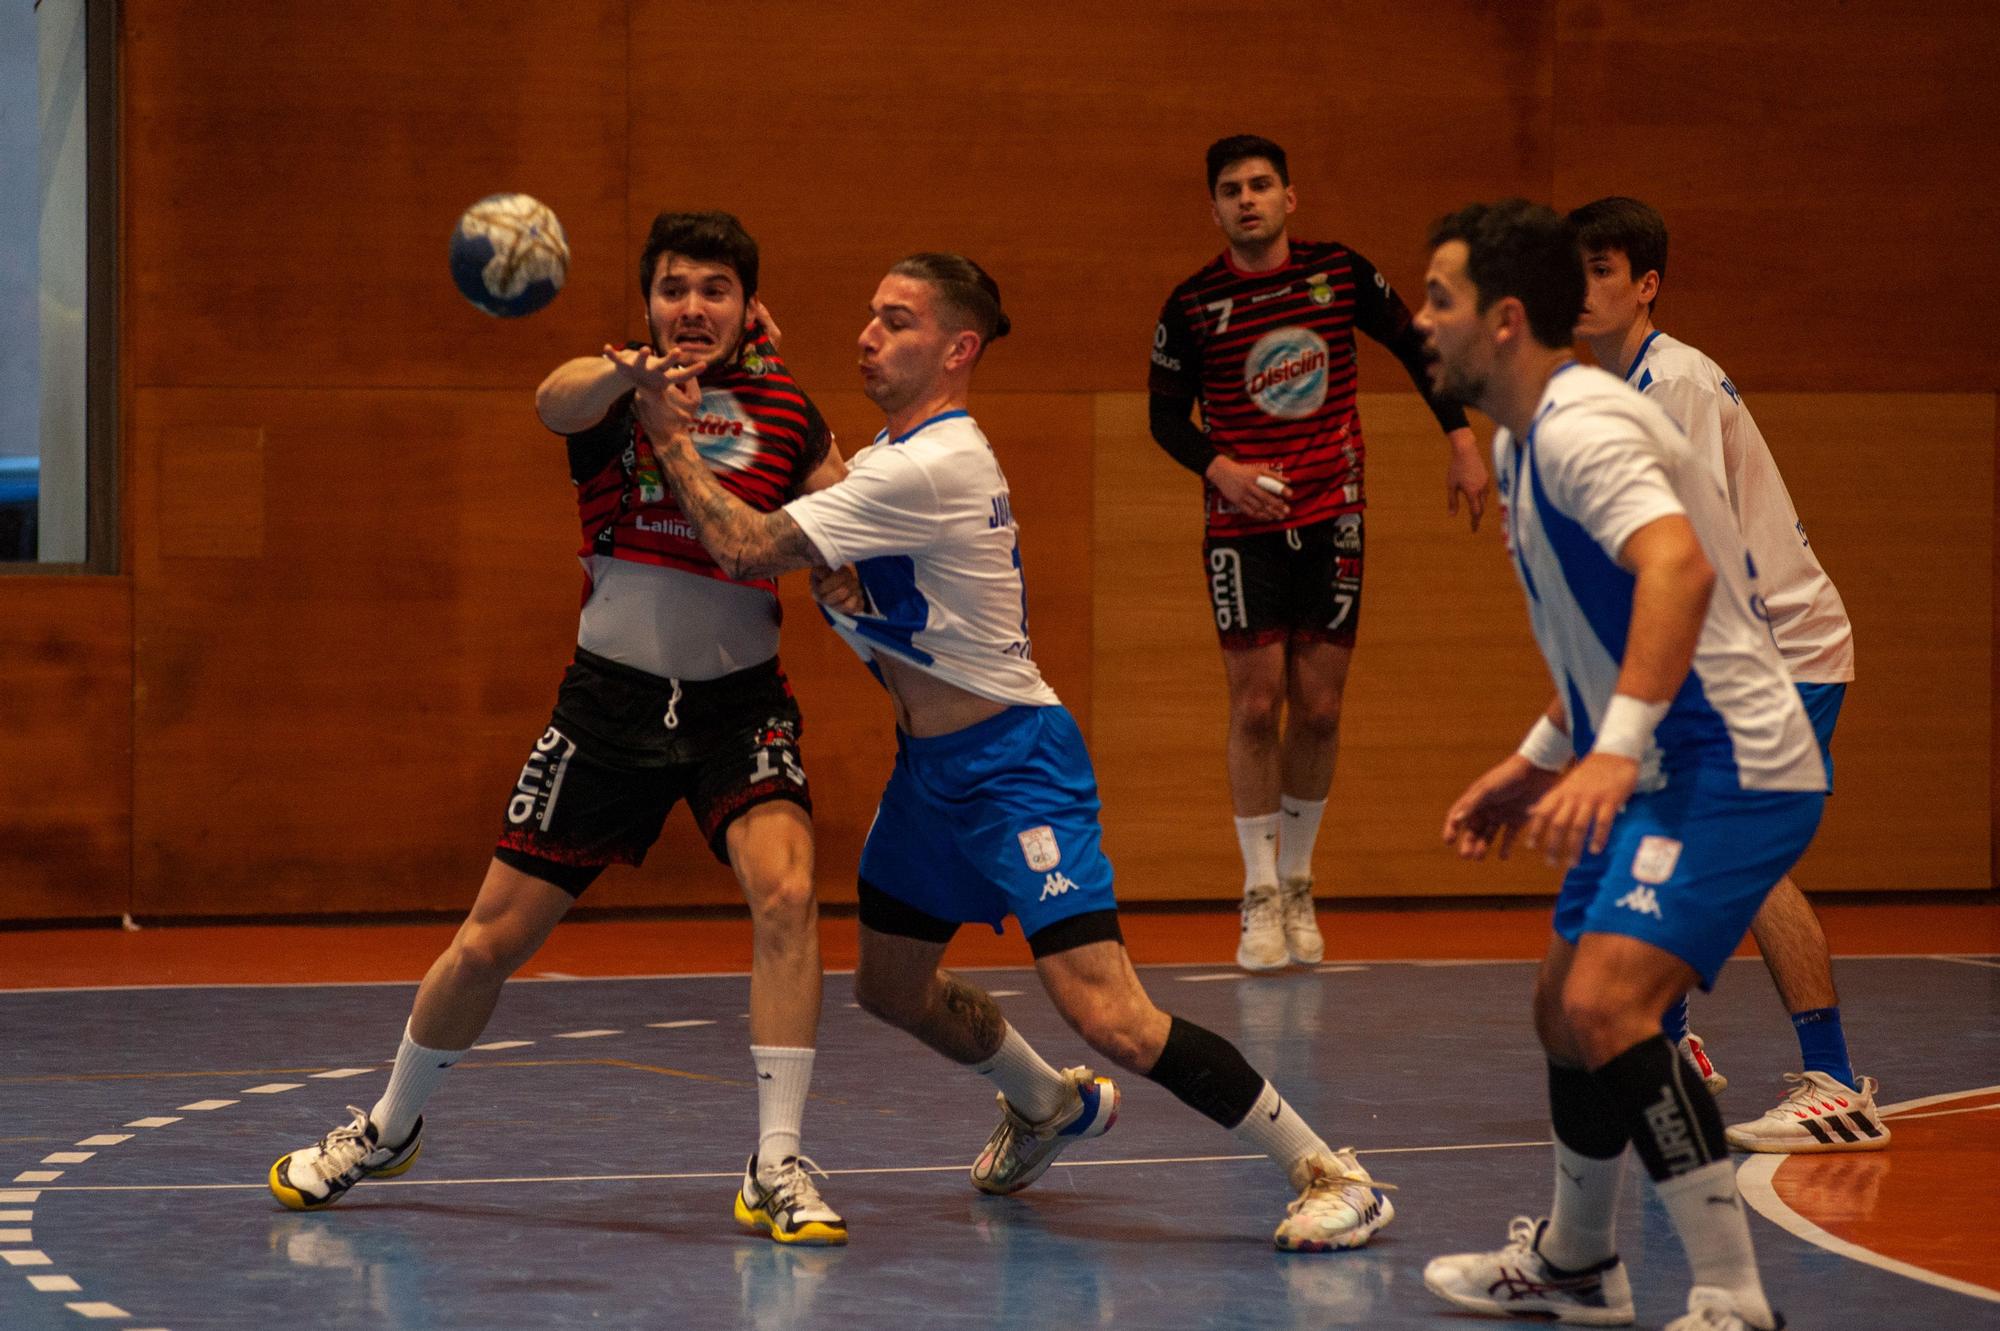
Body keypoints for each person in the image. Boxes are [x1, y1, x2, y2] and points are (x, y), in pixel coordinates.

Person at [633, 250, 1396, 1252]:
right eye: (868, 314)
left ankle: (1327, 1168)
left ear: (956, 348)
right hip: (931, 773)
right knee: (890, 988)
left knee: (1111, 1014)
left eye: (895, 320)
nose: (867, 333)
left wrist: (670, 439)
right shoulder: (893, 458)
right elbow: (834, 510)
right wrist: (761, 368)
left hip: (1013, 765)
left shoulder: (928, 465)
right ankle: (1043, 1104)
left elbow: (741, 544)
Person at [268, 211, 853, 1246]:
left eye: (713, 288)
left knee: (791, 892)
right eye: (673, 287)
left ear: (745, 305)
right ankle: (387, 1126)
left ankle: (776, 1158)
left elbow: (836, 512)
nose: (691, 307)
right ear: (647, 302)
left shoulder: (788, 405)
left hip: (737, 706)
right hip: (608, 708)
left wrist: (842, 505)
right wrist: (625, 375)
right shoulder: (609, 397)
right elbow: (553, 397)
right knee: (490, 940)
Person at [1414, 200, 1824, 1331]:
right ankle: (1577, 1262)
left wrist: (1614, 748)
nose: (1418, 319)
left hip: (1729, 759)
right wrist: (1537, 756)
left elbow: (1676, 573)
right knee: (1559, 1006)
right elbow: (1596, 638)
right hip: (1660, 754)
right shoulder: (1517, 440)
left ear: (1501, 321)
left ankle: (1733, 1300)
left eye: (1437, 298)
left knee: (1605, 999)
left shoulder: (1582, 430)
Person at [1569, 195, 1885, 1153]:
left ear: (1647, 286)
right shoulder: (1618, 390)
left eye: (1601, 271)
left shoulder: (1680, 387)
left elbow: (1691, 560)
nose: (1579, 290)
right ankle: (1671, 1048)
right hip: (1724, 653)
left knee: (1743, 861)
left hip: (1781, 653)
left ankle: (1835, 1080)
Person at [1148, 134, 1491, 972]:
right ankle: (1258, 892)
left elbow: (1419, 346)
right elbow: (1163, 418)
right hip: (1243, 529)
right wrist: (1219, 468)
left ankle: (1299, 879)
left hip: (1334, 513)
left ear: (1289, 198)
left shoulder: (1338, 273)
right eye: (1231, 189)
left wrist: (1461, 438)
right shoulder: (1191, 305)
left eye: (1262, 185)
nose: (1248, 199)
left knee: (1322, 706)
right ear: (1216, 206)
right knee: (1257, 704)